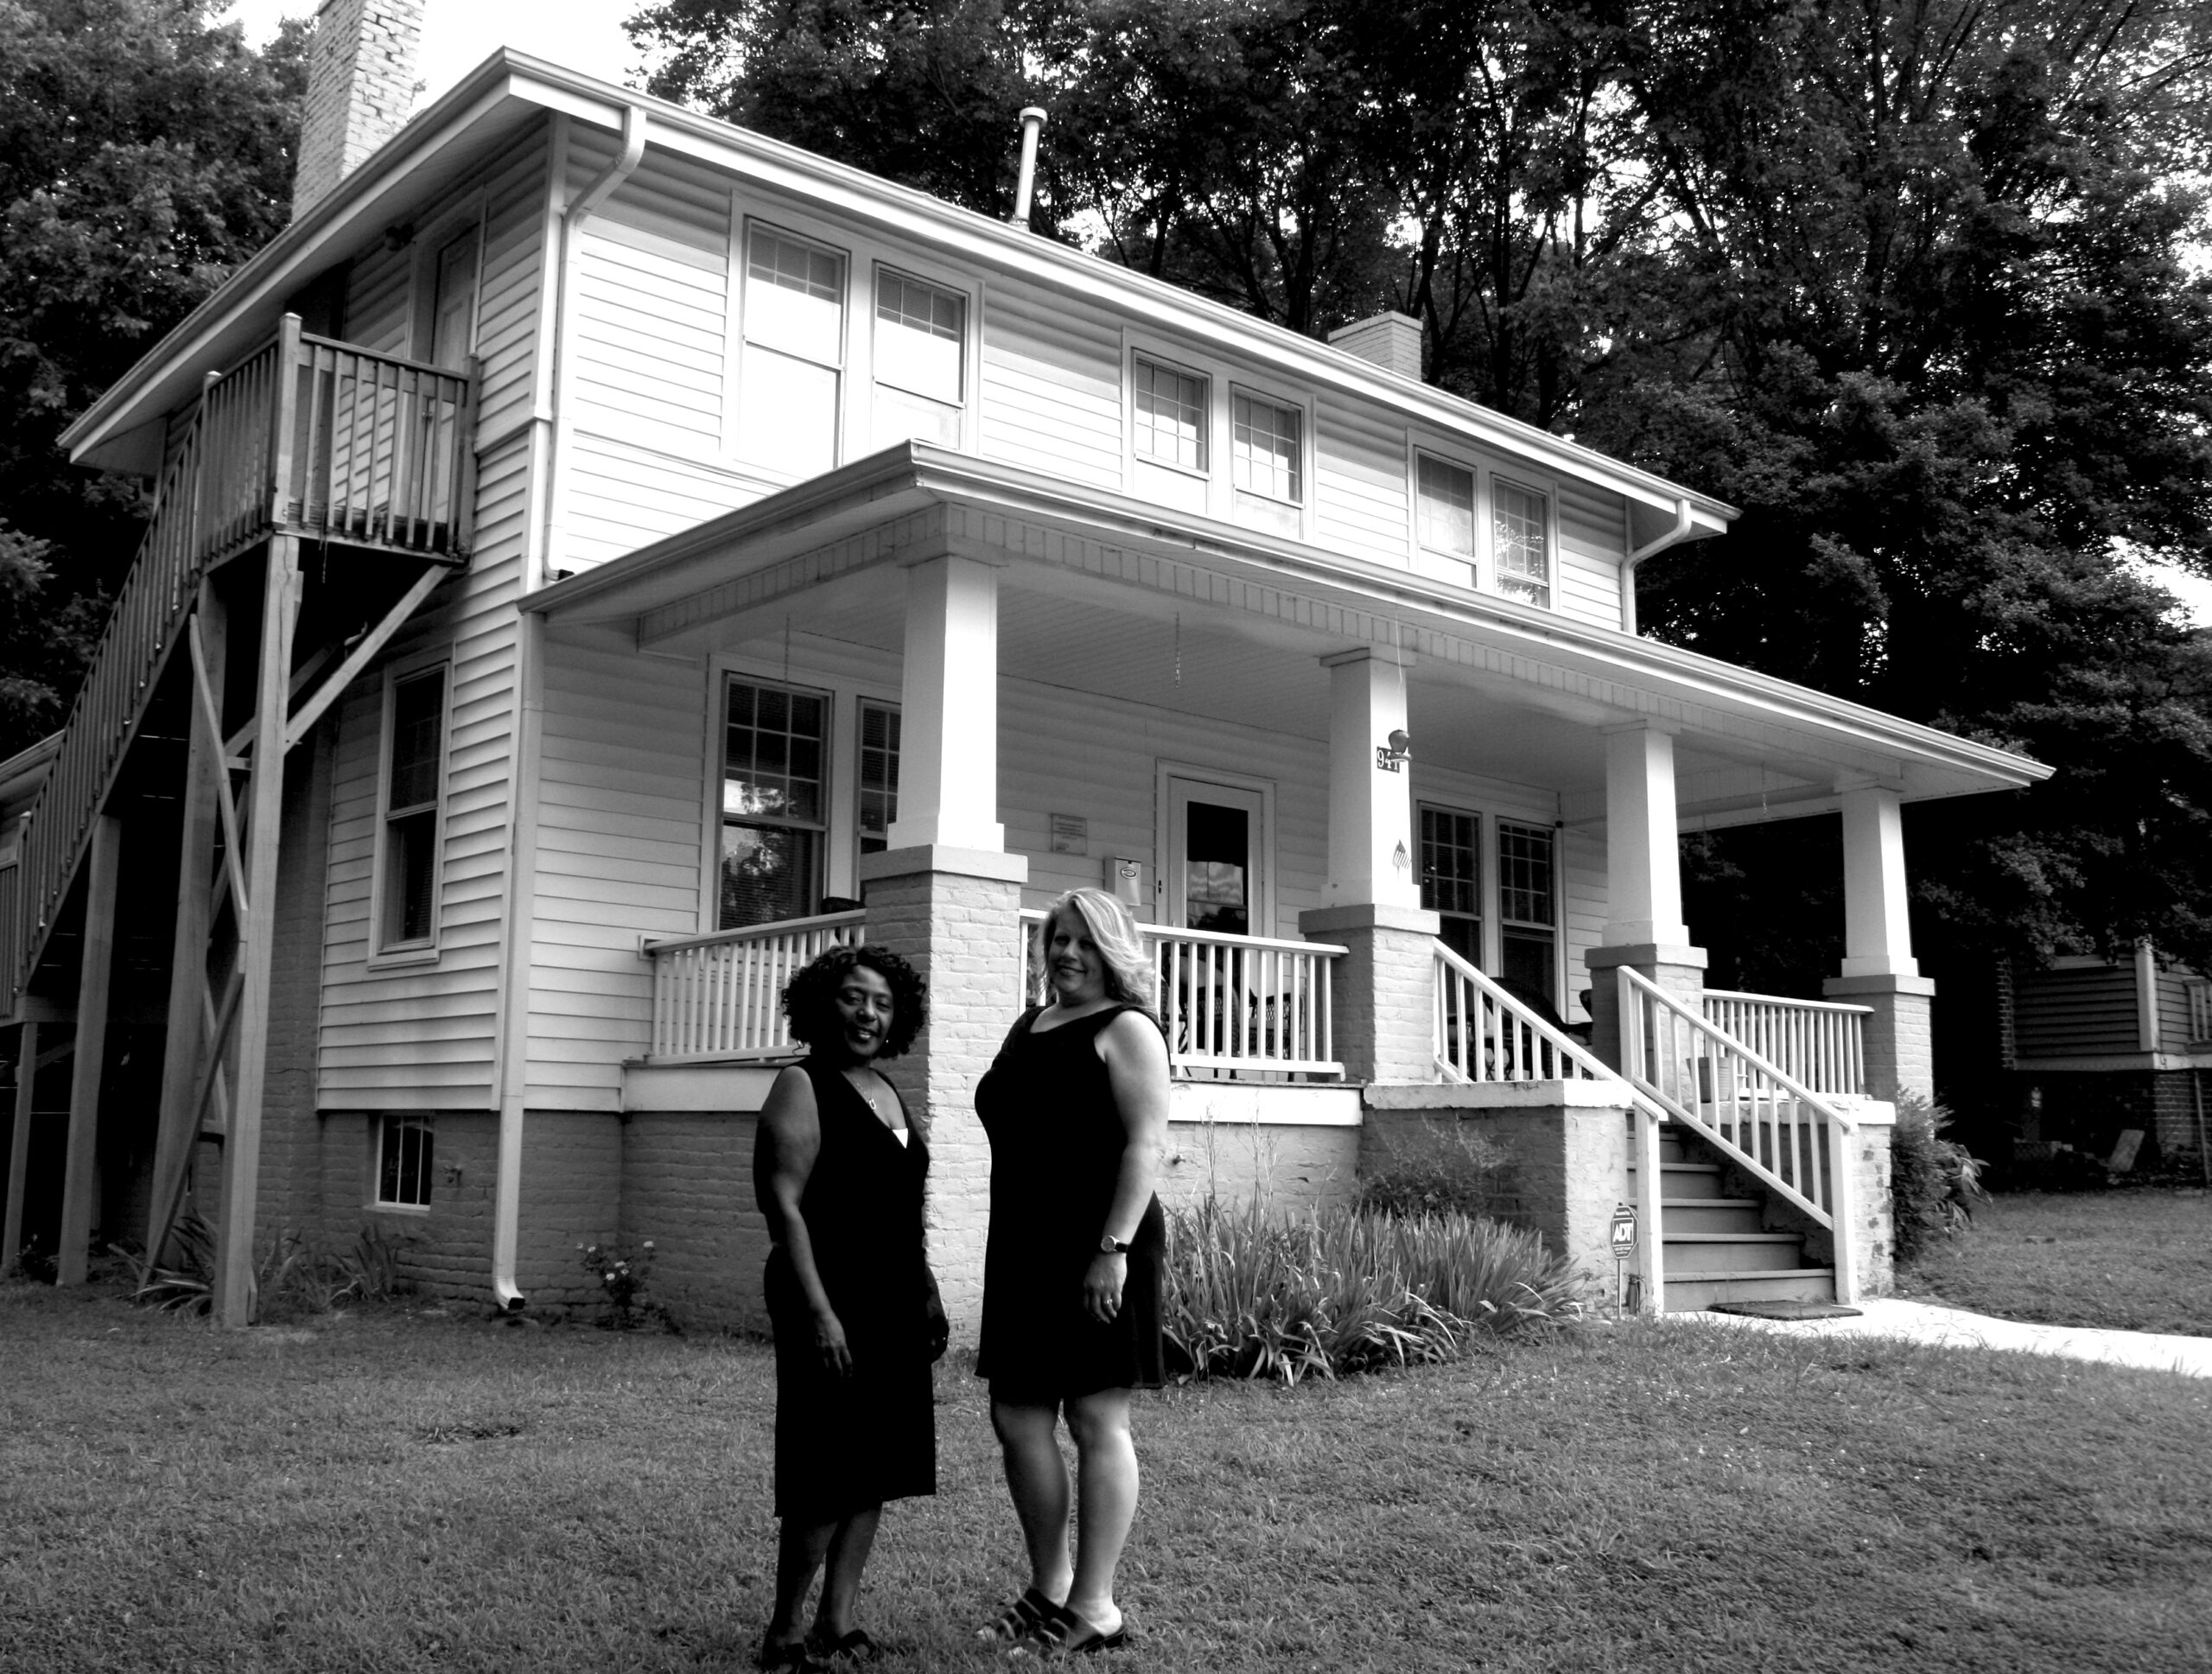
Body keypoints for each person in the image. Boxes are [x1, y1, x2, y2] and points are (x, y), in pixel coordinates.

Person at [973, 888, 1172, 1656]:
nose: (1067, 952)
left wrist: (1112, 1250)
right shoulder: (1027, 1025)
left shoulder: (1127, 1028)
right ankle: (1050, 1586)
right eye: (1058, 938)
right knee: (1017, 1415)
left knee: (1094, 1419)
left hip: (1102, 1247)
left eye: (1085, 941)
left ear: (1111, 950)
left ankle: (1095, 1605)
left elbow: (1145, 1144)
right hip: (1024, 1246)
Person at [753, 944, 947, 1669]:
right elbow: (784, 1206)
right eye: (853, 997)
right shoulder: (802, 1084)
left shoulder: (884, 1087)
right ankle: (785, 1630)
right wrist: (820, 1313)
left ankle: (838, 1619)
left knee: (876, 1464)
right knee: (827, 1468)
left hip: (892, 1298)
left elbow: (900, 1204)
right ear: (823, 1004)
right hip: (826, 1293)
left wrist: (926, 1286)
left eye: (883, 1003)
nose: (868, 1013)